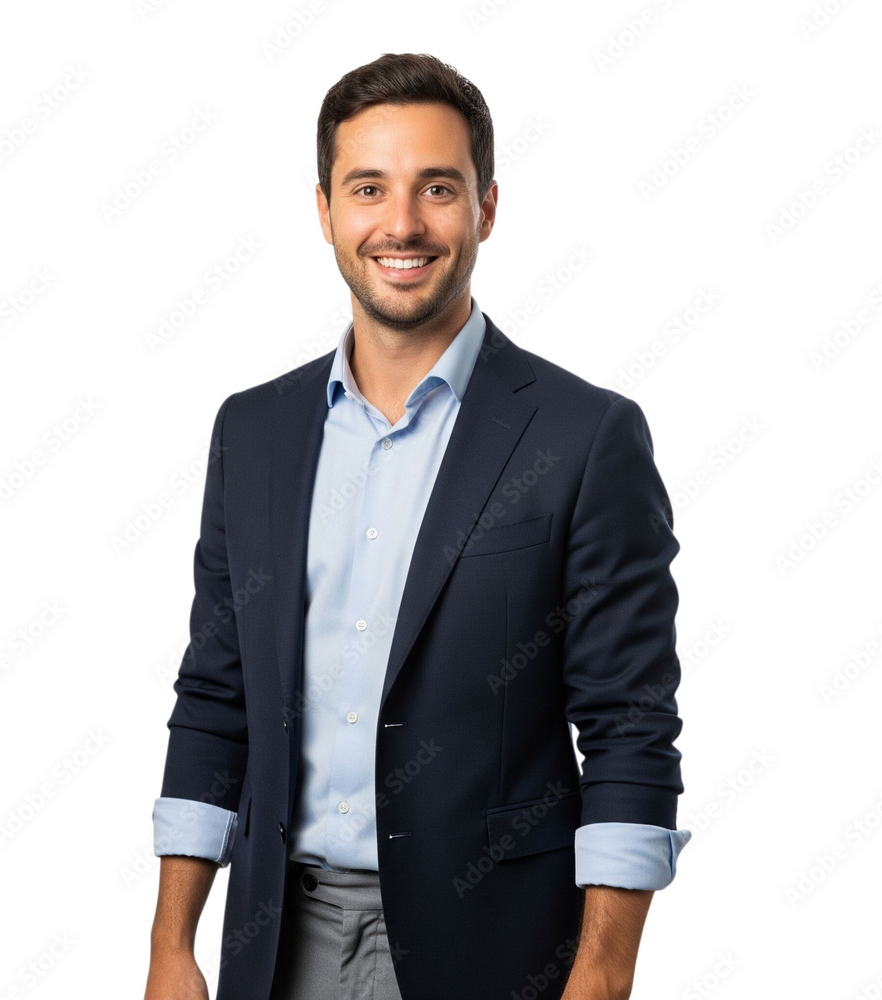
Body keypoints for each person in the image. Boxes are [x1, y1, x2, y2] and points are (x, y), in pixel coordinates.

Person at [144, 51, 691, 1000]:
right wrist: (170, 944)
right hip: (275, 944)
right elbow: (215, 696)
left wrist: (603, 978)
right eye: (369, 188)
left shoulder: (585, 437)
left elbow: (630, 728)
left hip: (495, 950)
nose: (402, 224)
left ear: (486, 208)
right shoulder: (254, 432)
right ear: (325, 211)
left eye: (437, 188)